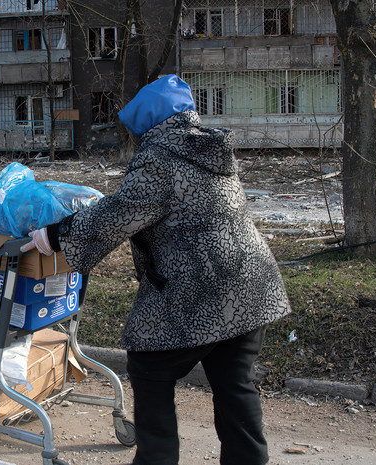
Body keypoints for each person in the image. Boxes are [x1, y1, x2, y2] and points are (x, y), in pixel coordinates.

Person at [22, 75, 291, 465]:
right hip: (251, 287)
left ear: (147, 125)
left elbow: (118, 215)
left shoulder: (159, 159)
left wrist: (57, 234)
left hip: (202, 290)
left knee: (149, 366)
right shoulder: (213, 149)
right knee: (235, 387)